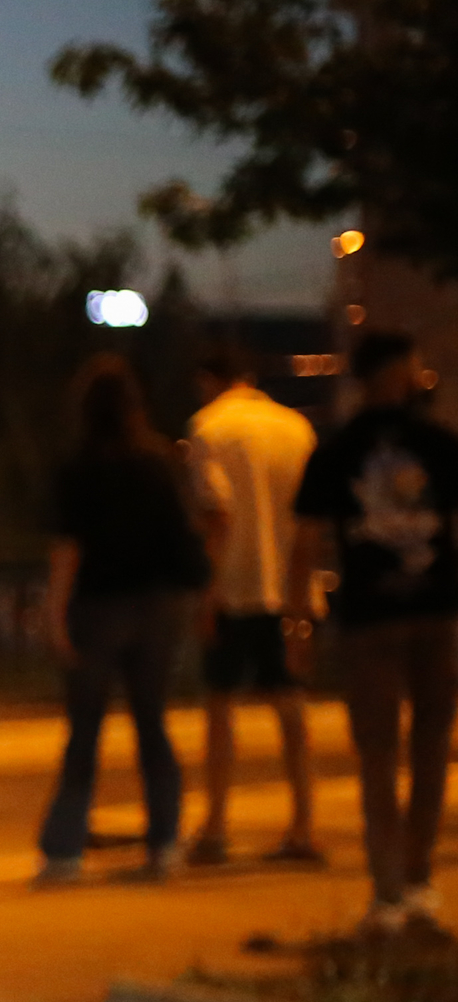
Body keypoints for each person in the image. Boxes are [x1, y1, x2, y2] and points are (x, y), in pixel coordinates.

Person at [295, 328, 458, 932]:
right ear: (399, 370)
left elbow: (306, 541)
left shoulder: (337, 450)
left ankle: (388, 885)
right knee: (431, 745)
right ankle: (416, 878)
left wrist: (298, 619)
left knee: (378, 751)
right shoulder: (439, 444)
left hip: (369, 619)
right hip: (434, 611)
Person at [35, 354, 213, 885]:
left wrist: (55, 613)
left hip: (99, 606)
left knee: (85, 729)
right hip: (158, 605)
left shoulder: (77, 469)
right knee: (152, 722)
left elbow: (68, 549)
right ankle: (164, 842)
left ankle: (64, 851)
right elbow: (183, 533)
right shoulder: (158, 464)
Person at [184, 344, 323, 868]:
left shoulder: (208, 428)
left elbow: (216, 515)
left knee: (221, 706)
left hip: (235, 586)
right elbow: (310, 522)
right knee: (291, 705)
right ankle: (303, 825)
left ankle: (216, 825)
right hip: (288, 587)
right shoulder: (296, 429)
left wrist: (206, 592)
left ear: (209, 379)